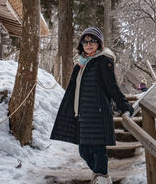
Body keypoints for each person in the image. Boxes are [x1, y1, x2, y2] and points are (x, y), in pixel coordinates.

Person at [50, 26, 134, 184]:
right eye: (85, 41)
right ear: (81, 44)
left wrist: (124, 106)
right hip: (82, 114)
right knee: (83, 151)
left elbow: (112, 86)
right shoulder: (81, 63)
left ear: (99, 44)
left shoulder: (103, 61)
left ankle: (102, 176)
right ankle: (100, 175)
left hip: (98, 112)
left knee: (98, 149)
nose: (89, 44)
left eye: (93, 41)